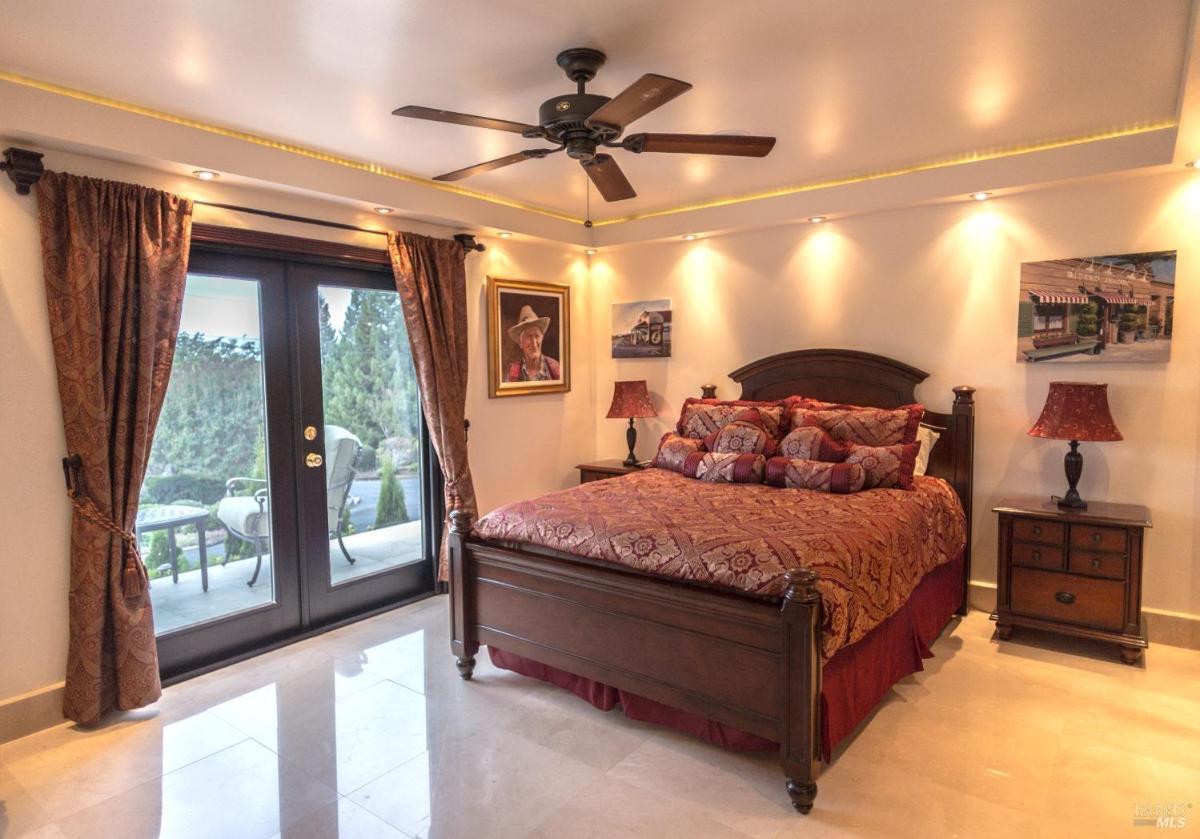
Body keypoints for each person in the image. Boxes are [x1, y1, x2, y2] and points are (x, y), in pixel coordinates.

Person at [505, 304, 561, 382]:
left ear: (542, 338)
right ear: (521, 342)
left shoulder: (556, 369)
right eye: (529, 336)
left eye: (537, 336)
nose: (534, 343)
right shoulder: (512, 373)